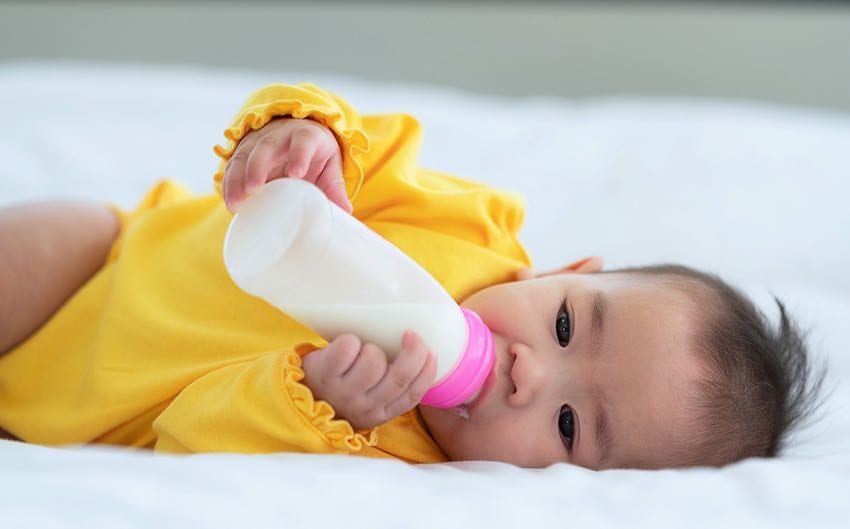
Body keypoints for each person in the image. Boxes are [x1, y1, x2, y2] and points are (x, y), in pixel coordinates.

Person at [0, 83, 823, 469]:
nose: (531, 371)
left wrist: (312, 400)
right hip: (103, 261)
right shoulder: (466, 224)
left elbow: (191, 436)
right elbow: (370, 149)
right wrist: (307, 137)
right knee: (46, 237)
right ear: (566, 271)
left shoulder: (385, 450)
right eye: (567, 324)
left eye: (571, 426)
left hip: (81, 406)